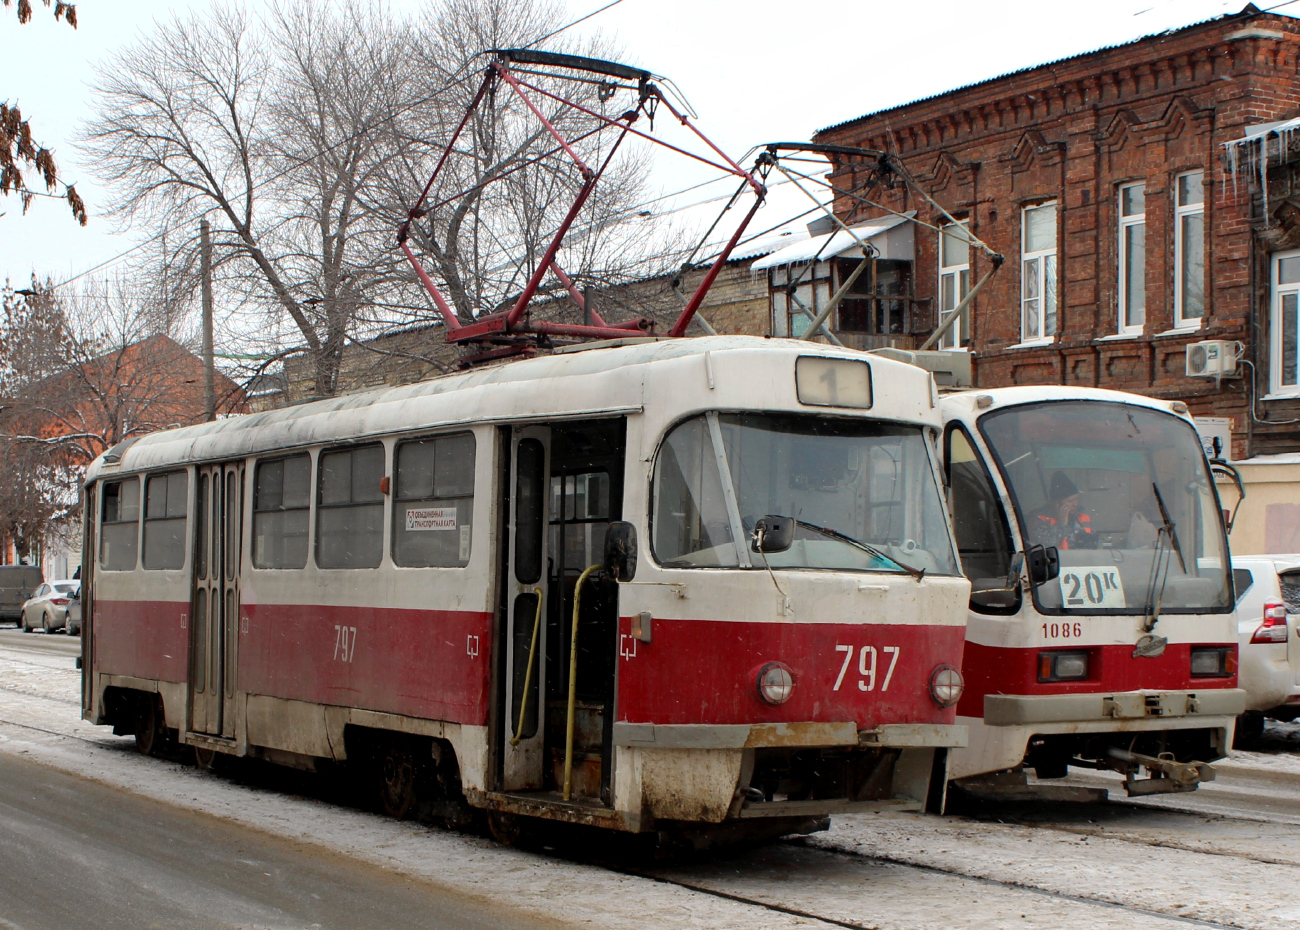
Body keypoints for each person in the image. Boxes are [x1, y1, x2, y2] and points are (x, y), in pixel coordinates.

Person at [1033, 471, 1095, 550]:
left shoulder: (1082, 517)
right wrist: (1061, 524)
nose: (1075, 504)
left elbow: (1094, 545)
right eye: (1070, 501)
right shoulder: (1039, 520)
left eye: (1076, 499)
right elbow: (1047, 546)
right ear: (1057, 503)